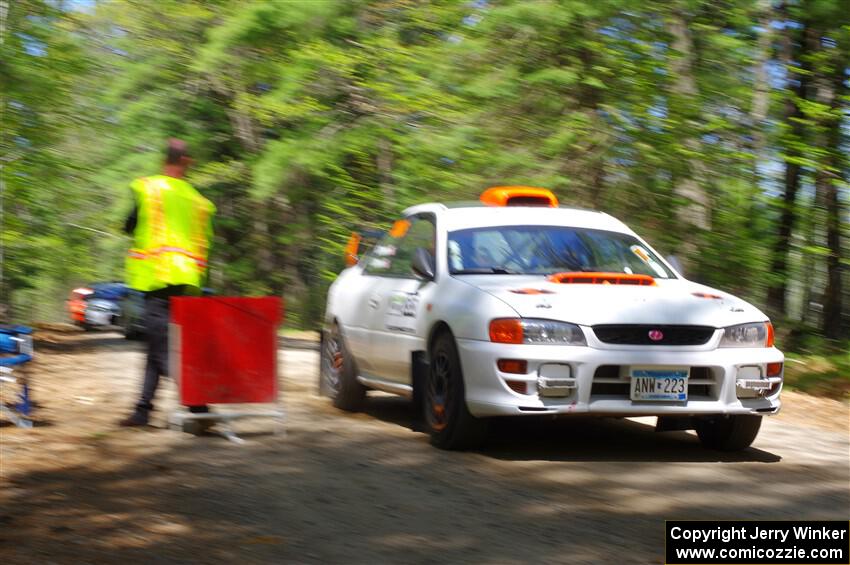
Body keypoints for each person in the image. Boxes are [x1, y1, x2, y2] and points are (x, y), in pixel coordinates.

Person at [120, 139, 216, 427]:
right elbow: (205, 242)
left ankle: (199, 406)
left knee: (162, 349)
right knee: (156, 347)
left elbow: (129, 225)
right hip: (187, 285)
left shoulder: (149, 189)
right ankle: (142, 410)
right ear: (187, 163)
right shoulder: (199, 201)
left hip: (158, 280)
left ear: (165, 161)